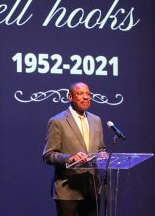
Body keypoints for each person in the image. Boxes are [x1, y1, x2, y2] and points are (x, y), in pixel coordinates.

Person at [42, 82, 107, 216]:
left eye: (88, 94)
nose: (86, 97)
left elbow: (100, 148)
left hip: (92, 189)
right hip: (68, 190)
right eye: (80, 93)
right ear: (70, 97)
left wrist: (103, 155)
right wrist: (69, 158)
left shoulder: (96, 120)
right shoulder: (57, 121)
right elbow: (48, 155)